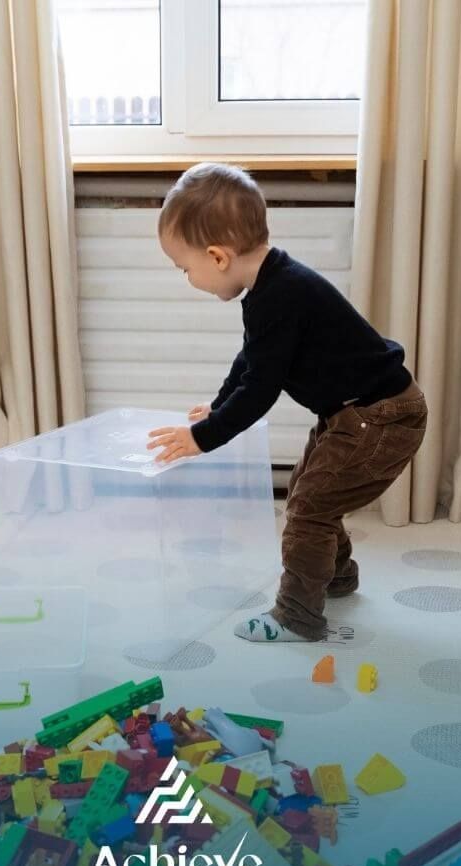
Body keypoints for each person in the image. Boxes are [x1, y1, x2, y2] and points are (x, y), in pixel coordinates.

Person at [147, 162, 428, 643]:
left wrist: (203, 438)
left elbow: (261, 389)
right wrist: (217, 407)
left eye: (184, 268)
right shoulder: (268, 288)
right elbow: (252, 361)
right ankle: (337, 577)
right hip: (356, 412)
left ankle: (296, 616)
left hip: (380, 418)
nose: (186, 279)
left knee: (308, 509)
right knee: (309, 491)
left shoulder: (282, 294)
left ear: (216, 257)